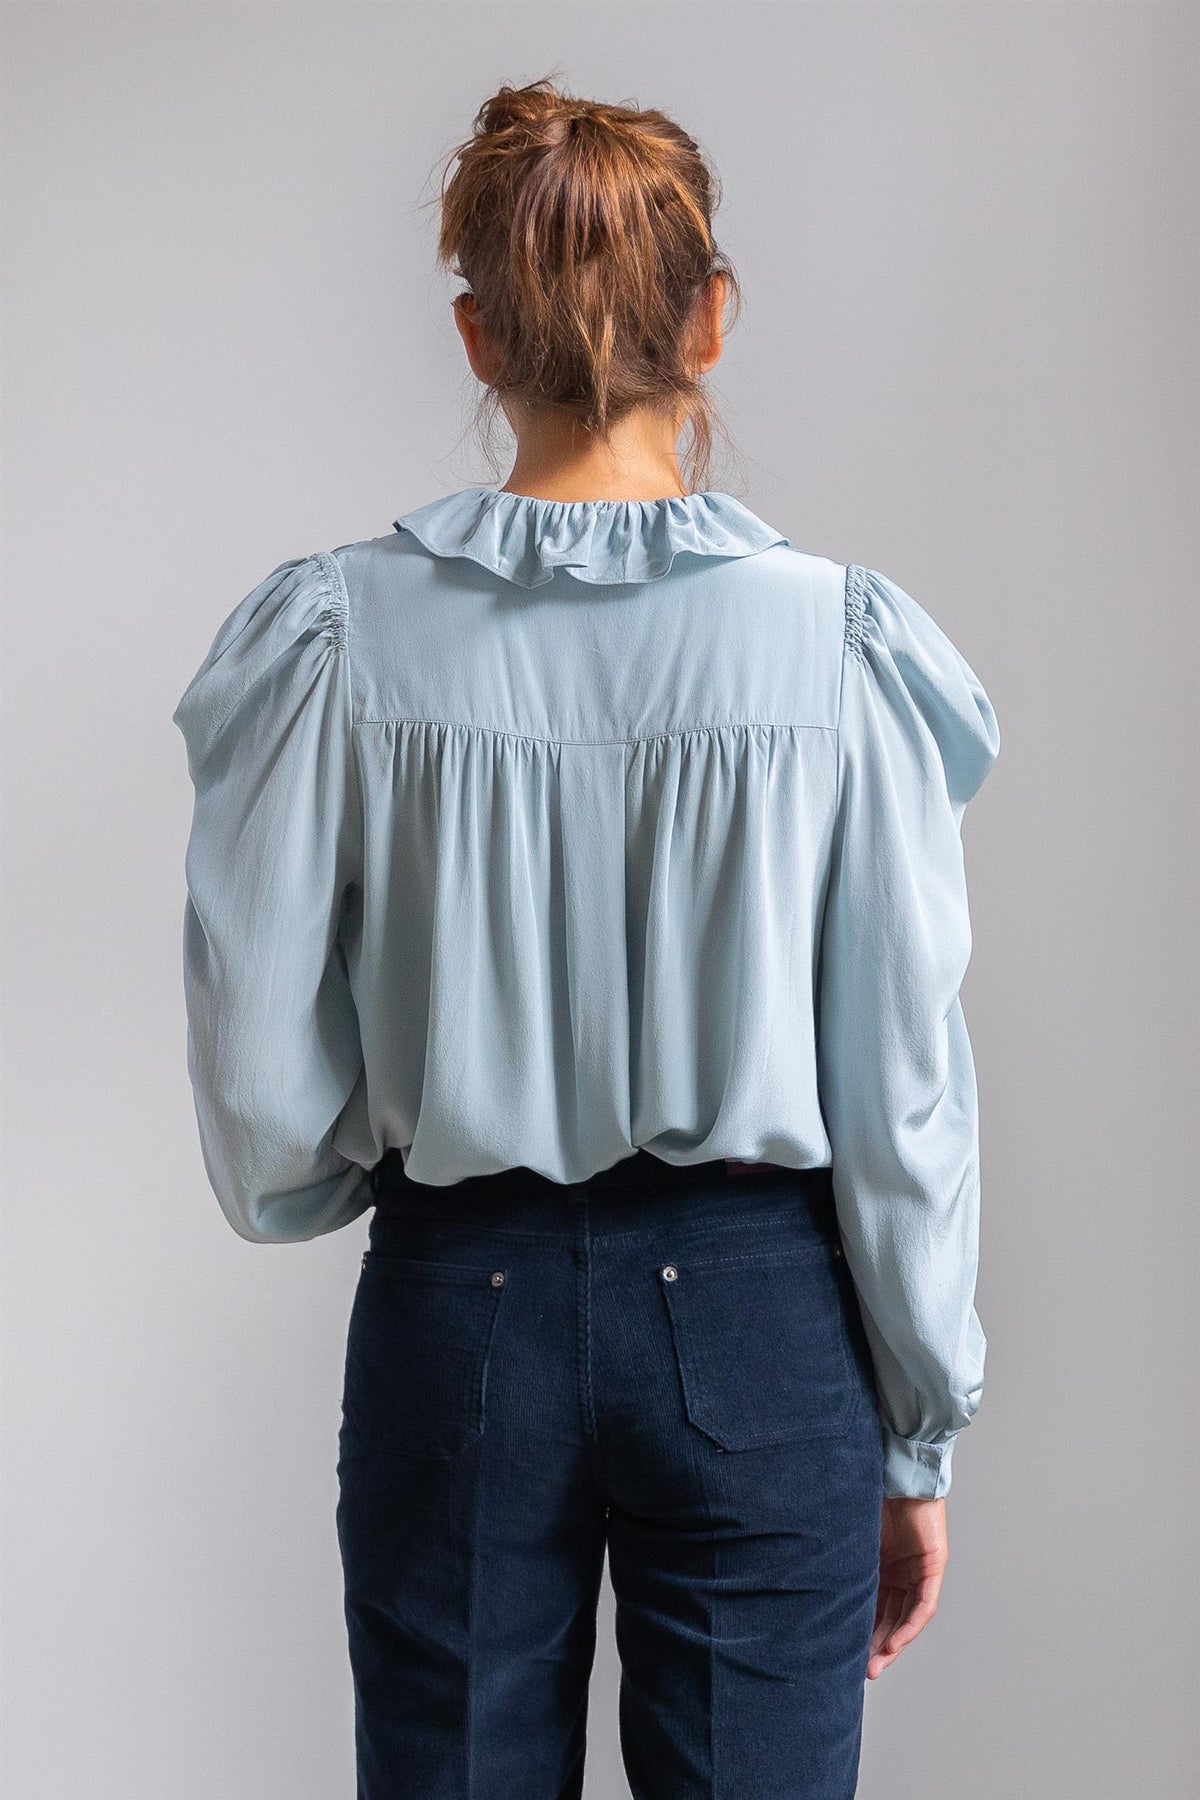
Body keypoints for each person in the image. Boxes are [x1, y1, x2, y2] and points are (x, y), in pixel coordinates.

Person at [171, 75, 1000, 1800]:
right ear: (713, 321)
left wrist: (368, 1171)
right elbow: (903, 1085)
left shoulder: (341, 638)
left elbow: (259, 1085)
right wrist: (918, 1429)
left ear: (478, 337)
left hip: (456, 1302)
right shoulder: (839, 649)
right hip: (762, 1317)